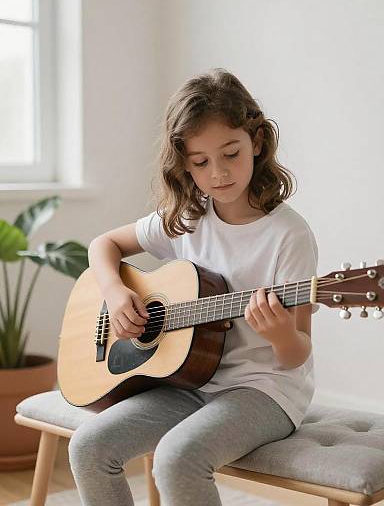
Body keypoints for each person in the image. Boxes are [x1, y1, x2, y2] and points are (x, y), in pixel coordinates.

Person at [68, 68, 319, 506]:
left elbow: (297, 353)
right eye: (201, 162)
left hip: (265, 391)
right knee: (88, 447)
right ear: (183, 162)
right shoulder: (188, 218)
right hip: (188, 379)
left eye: (231, 154)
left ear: (256, 142)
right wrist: (114, 290)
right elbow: (103, 245)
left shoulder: (289, 236)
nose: (218, 173)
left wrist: (279, 334)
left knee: (176, 459)